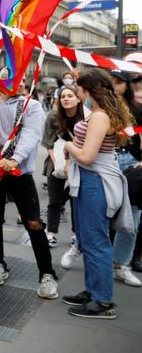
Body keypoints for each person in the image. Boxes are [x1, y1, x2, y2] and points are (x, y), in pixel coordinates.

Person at [62, 69, 135, 318]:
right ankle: (93, 291)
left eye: (80, 90)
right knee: (88, 238)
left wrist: (69, 146)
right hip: (88, 179)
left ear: (90, 90)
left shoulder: (100, 116)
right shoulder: (99, 114)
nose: (79, 95)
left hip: (94, 180)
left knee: (96, 240)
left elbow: (87, 156)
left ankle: (103, 301)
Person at [0, 79, 59, 300]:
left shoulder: (31, 105)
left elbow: (30, 134)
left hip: (20, 173)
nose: (22, 84)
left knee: (34, 222)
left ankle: (47, 274)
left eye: (24, 80)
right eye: (15, 79)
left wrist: (15, 159)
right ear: (0, 83)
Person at [108, 70, 142, 287]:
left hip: (130, 162)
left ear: (127, 85)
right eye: (111, 82)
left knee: (132, 218)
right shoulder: (100, 107)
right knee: (98, 213)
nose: (114, 85)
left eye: (118, 82)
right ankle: (81, 248)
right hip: (104, 161)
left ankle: (120, 264)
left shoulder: (138, 109)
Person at [42, 85, 83, 250]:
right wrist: (58, 162)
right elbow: (47, 142)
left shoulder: (85, 118)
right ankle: (51, 233)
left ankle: (76, 235)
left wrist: (70, 162)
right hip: (56, 163)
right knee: (54, 201)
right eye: (63, 96)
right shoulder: (53, 116)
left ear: (78, 99)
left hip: (79, 163)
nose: (65, 98)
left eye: (70, 95)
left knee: (76, 201)